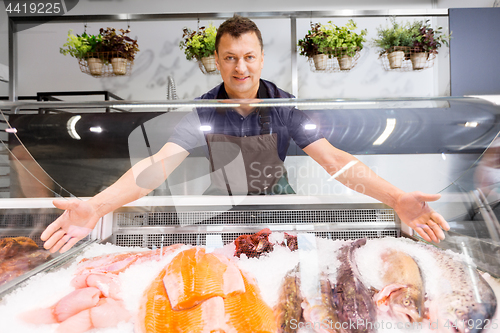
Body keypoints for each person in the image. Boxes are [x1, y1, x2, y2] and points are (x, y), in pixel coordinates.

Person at [41, 16, 450, 253]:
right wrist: (98, 205)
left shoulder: (283, 106)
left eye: (249, 57)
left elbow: (335, 161)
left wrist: (395, 197)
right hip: (223, 205)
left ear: (261, 58)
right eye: (231, 58)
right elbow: (155, 167)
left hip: (279, 201)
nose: (241, 68)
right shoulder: (204, 109)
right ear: (217, 61)